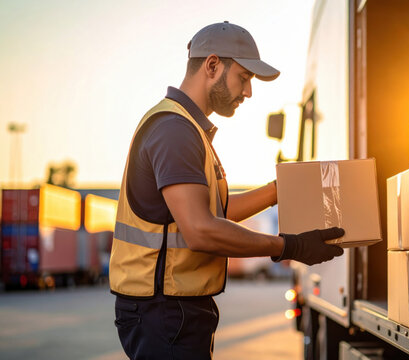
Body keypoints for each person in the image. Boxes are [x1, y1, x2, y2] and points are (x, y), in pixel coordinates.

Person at [109, 21, 345, 359]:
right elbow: (202, 230)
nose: (248, 92)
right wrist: (288, 246)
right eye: (244, 78)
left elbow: (214, 213)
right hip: (164, 311)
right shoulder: (175, 131)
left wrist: (278, 190)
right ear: (212, 65)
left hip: (172, 310)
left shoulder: (188, 129)